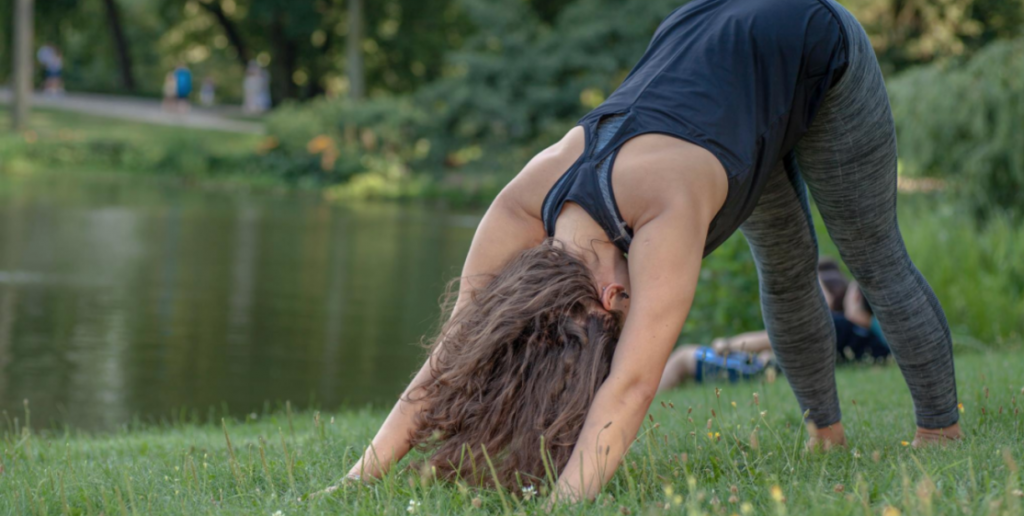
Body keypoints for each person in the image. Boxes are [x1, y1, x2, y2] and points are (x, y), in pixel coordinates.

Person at [338, 0, 961, 501]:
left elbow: (633, 386)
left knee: (871, 255)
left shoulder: (665, 210)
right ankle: (826, 436)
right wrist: (359, 478)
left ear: (612, 295)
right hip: (723, 76)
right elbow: (450, 359)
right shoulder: (522, 205)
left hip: (807, 40)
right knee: (785, 267)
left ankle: (941, 430)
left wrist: (564, 505)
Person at [657, 259, 891, 391]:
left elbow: (774, 338)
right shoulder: (878, 345)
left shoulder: (837, 325)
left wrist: (726, 344)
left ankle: (652, 407)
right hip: (776, 370)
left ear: (857, 297)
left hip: (764, 370)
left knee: (683, 357)